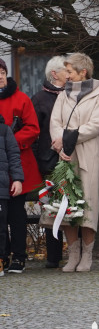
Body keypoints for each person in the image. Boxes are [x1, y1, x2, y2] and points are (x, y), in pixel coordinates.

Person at [47, 53, 99, 272]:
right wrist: (60, 144)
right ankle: (73, 254)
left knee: (88, 204)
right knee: (67, 204)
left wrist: (67, 137)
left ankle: (87, 255)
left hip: (87, 155)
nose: (67, 76)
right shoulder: (63, 95)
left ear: (83, 72)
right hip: (65, 155)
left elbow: (95, 125)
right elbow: (55, 121)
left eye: (70, 72)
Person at [0, 58, 42, 274]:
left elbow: (33, 128)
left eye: (1, 72)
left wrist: (8, 142)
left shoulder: (21, 98)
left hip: (17, 165)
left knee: (16, 215)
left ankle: (19, 256)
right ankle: (2, 256)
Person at [31, 55, 68, 268]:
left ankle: (77, 251)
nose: (69, 73)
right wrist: (41, 161)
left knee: (76, 207)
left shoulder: (74, 96)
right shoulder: (39, 100)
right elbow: (34, 135)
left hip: (72, 160)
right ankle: (54, 257)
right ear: (54, 74)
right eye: (66, 70)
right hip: (49, 164)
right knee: (52, 209)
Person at [0, 109, 24, 277]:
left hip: (1, 187)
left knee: (0, 227)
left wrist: (17, 179)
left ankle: (1, 260)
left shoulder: (4, 130)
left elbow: (14, 156)